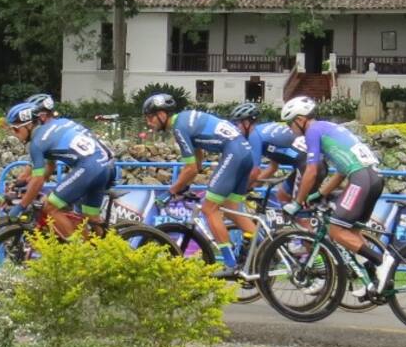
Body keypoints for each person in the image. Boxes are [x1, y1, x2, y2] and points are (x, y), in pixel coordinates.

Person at [281, 95, 387, 292]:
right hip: (374, 178)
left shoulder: (312, 131)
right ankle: (372, 280)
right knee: (352, 233)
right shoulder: (328, 128)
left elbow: (311, 171)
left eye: (290, 123)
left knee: (335, 230)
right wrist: (319, 194)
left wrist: (297, 202)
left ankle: (382, 261)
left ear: (301, 119)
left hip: (360, 179)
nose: (290, 129)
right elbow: (339, 172)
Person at [144, 93, 255, 278]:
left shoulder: (179, 127)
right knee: (231, 209)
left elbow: (190, 168)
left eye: (150, 117)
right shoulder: (187, 119)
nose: (148, 122)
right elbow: (198, 162)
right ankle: (266, 251)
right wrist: (185, 186)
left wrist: (172, 190)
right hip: (244, 154)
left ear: (162, 114)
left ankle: (230, 264)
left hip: (233, 154)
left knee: (209, 209)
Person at [6, 101, 115, 239]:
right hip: (105, 167)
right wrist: (27, 185)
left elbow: (39, 179)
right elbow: (49, 168)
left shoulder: (37, 143)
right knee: (90, 218)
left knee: (49, 206)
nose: (14, 134)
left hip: (89, 168)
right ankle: (105, 251)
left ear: (28, 125)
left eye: (15, 129)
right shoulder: (59, 124)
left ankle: (78, 252)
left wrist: (21, 206)